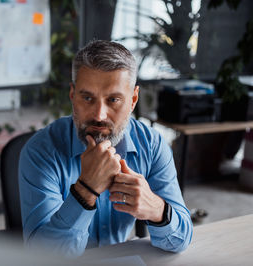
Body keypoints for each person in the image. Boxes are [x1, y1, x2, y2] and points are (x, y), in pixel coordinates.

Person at [18, 40, 193, 257]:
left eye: (113, 100)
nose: (99, 115)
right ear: (72, 95)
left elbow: (181, 239)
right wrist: (85, 191)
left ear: (133, 100)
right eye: (87, 97)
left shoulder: (152, 145)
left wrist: (157, 209)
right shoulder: (40, 152)